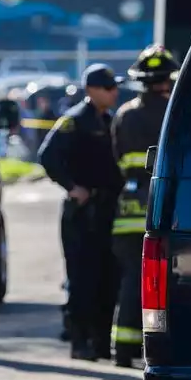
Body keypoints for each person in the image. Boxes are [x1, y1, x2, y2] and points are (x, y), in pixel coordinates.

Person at [38, 64, 124, 360]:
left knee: (107, 278)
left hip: (107, 211)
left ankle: (101, 342)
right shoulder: (74, 121)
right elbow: (48, 156)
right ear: (92, 90)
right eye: (109, 88)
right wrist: (72, 186)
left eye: (115, 87)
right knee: (82, 279)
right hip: (82, 214)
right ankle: (80, 341)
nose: (115, 93)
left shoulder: (110, 121)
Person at [110, 44, 180, 368]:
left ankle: (122, 349)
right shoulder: (175, 112)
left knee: (129, 281)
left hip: (127, 212)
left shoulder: (125, 115)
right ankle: (155, 350)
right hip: (161, 208)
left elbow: (118, 161)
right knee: (162, 286)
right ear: (168, 79)